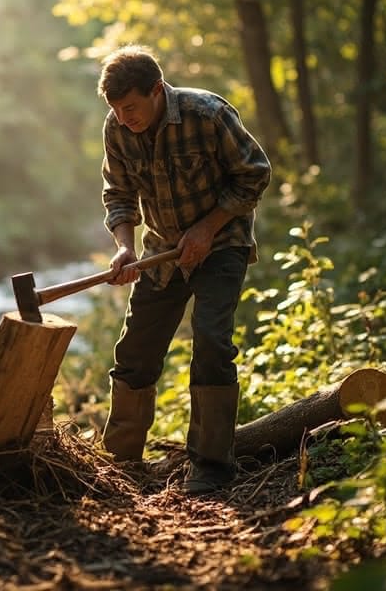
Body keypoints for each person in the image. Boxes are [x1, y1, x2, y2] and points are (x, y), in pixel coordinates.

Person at [95, 45, 271, 496]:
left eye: (131, 106)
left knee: (212, 339)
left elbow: (255, 174)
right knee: (135, 350)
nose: (124, 116)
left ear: (156, 91)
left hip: (222, 244)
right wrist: (124, 248)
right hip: (161, 251)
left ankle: (211, 466)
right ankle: (121, 463)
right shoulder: (117, 127)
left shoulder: (207, 113)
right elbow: (118, 193)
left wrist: (207, 228)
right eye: (116, 108)